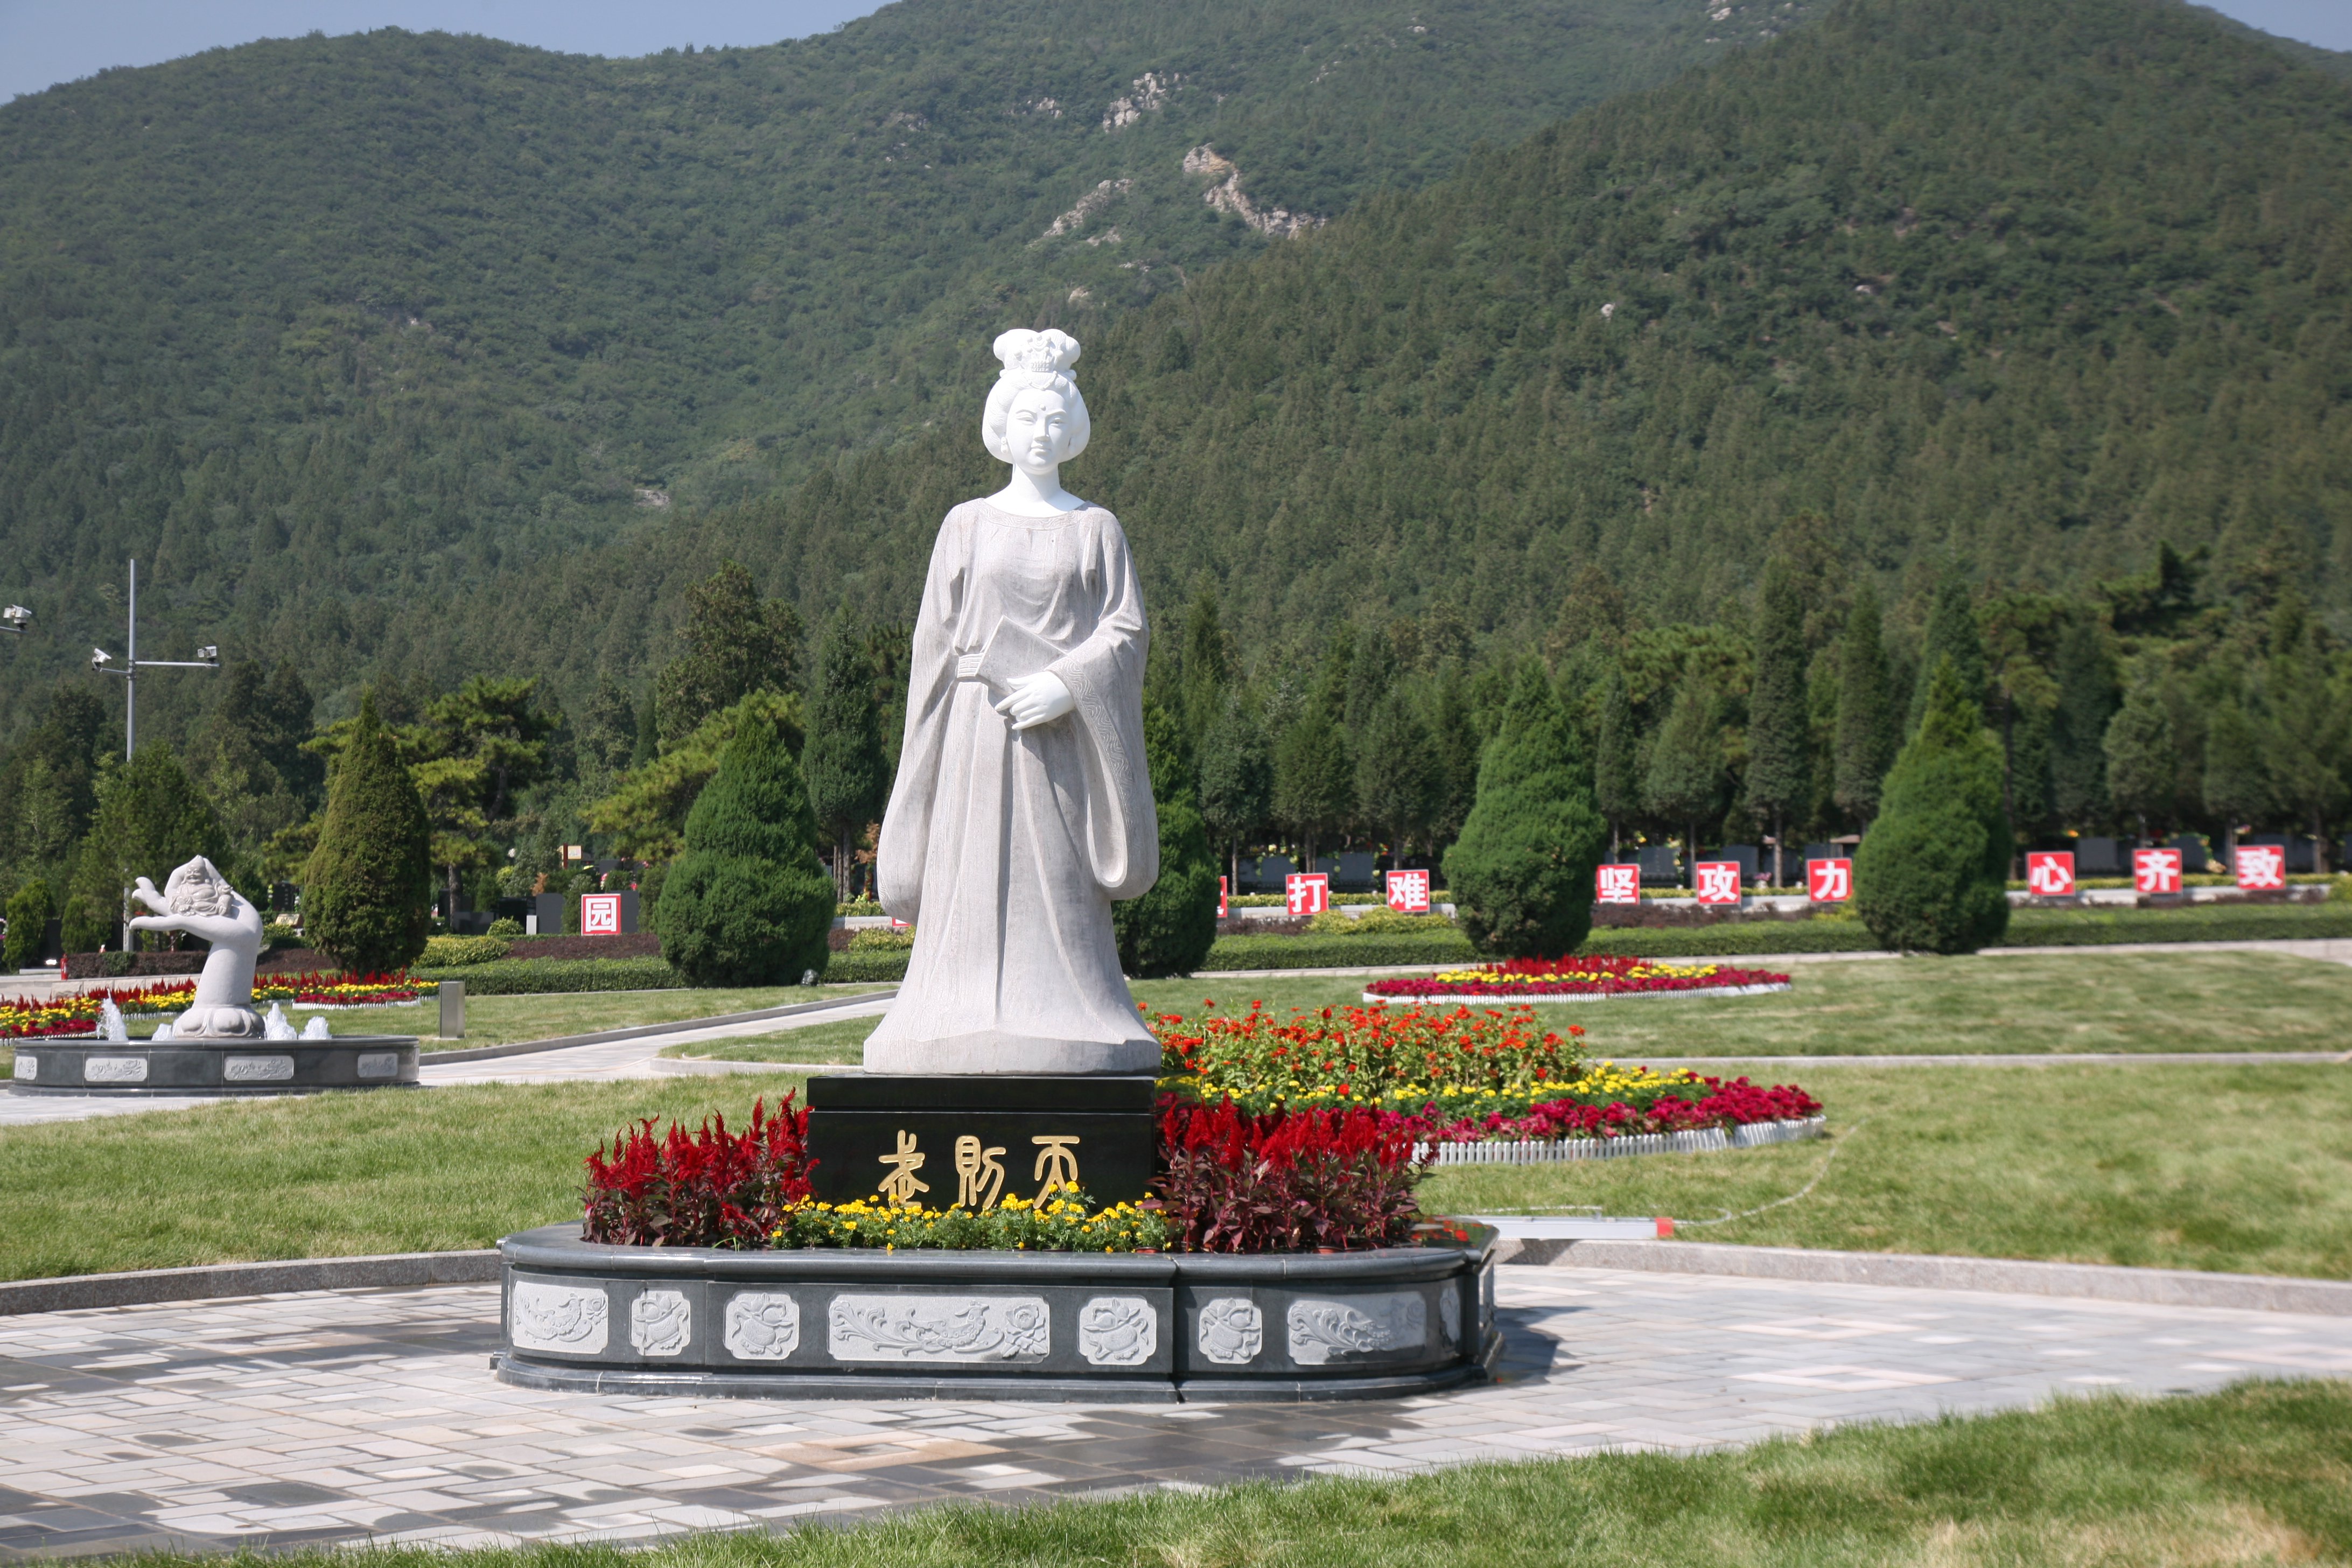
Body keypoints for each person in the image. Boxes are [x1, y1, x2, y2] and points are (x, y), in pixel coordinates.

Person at [865, 328, 1159, 1075]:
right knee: (970, 873)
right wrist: (925, 757)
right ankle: (950, 1007)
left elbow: (1125, 629)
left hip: (1061, 738)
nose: (1042, 433)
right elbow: (934, 644)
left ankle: (1073, 1006)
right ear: (1002, 423)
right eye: (1028, 417)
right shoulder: (966, 523)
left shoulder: (1096, 529)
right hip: (978, 732)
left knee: (1056, 879)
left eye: (1056, 419)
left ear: (1075, 428)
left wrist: (1068, 684)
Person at [127, 856, 264, 1039]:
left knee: (213, 1020)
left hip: (205, 907)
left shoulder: (211, 891)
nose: (191, 875)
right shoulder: (184, 891)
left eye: (196, 873)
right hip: (191, 906)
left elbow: (217, 903)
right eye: (189, 873)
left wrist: (184, 919)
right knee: (214, 1019)